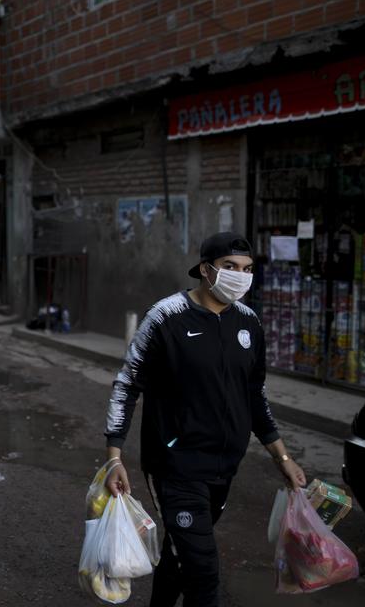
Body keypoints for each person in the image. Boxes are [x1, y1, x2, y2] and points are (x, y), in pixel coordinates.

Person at [102, 232, 306, 607]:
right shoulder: (165, 317)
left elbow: (254, 395)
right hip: (175, 466)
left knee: (181, 555)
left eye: (247, 269)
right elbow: (127, 385)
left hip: (225, 466)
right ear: (205, 270)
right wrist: (114, 456)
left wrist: (283, 458)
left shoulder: (249, 323)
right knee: (203, 573)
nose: (240, 276)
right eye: (230, 267)